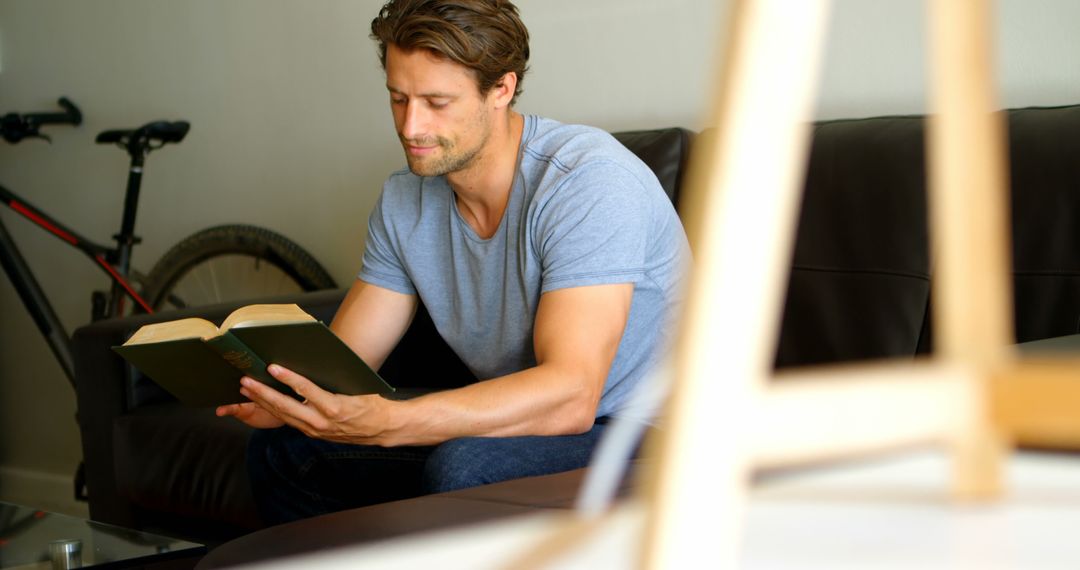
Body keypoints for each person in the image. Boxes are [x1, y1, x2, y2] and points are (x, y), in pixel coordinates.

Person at [216, 0, 691, 525]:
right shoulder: (404, 201)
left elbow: (572, 396)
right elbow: (348, 363)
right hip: (537, 427)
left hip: (649, 434)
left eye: (437, 102)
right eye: (398, 99)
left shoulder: (587, 182)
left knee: (467, 466)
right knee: (286, 453)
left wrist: (393, 421)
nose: (411, 126)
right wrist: (289, 397)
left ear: (501, 90)